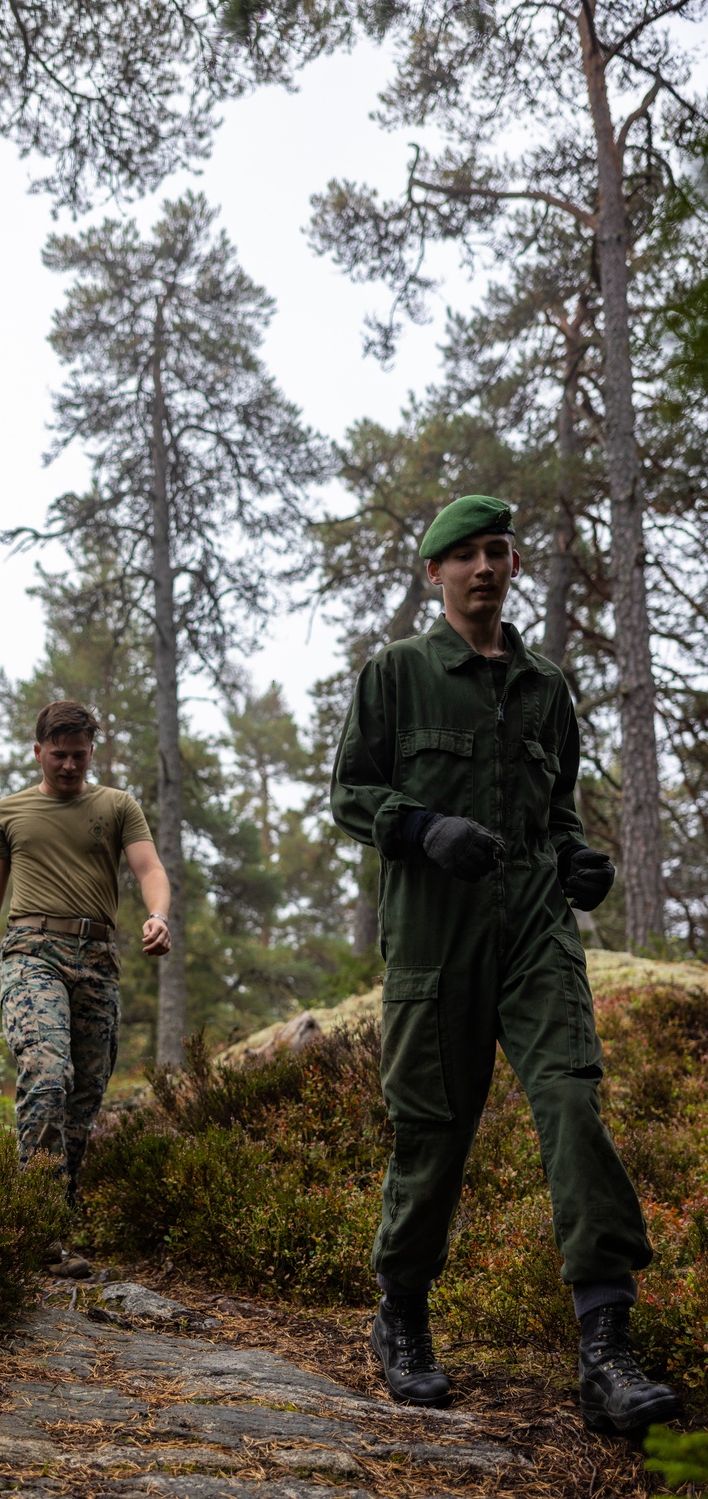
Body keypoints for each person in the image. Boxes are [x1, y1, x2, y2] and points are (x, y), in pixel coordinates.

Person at [330, 494, 678, 1434]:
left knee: (570, 1098)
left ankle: (605, 1346)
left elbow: (557, 807)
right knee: (433, 1131)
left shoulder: (546, 685)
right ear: (435, 574)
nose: (485, 567)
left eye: (498, 552)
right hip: (435, 938)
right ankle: (401, 1313)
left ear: (512, 567)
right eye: (466, 555)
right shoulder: (396, 674)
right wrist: (421, 826)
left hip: (534, 930)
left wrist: (578, 861)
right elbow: (350, 794)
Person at [0, 700, 171, 1197]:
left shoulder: (118, 806)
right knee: (48, 1071)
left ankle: (61, 1214)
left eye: (79, 754)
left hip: (98, 959)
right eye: (59, 755)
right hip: (32, 951)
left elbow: (150, 869)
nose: (70, 765)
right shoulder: (9, 811)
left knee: (86, 1095)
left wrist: (157, 915)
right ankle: (38, 1218)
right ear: (38, 752)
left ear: (91, 751)